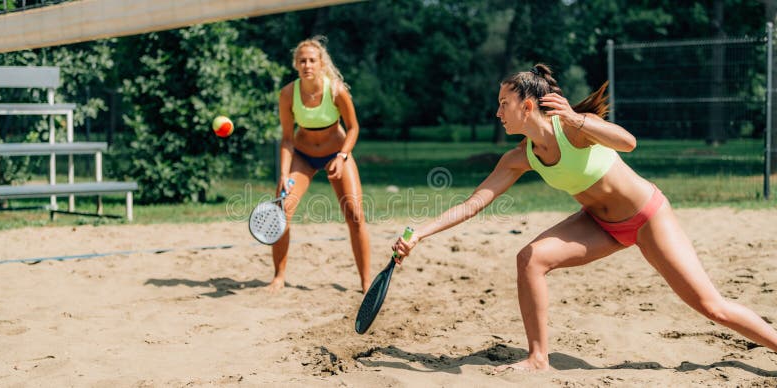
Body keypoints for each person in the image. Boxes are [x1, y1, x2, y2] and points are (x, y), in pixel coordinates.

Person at [392, 63, 777, 371]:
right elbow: (474, 202)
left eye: (503, 104)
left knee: (712, 307)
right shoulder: (519, 157)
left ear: (528, 106)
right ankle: (538, 358)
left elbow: (629, 142)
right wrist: (420, 233)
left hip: (648, 218)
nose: (497, 113)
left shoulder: (572, 130)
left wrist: (578, 119)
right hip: (599, 224)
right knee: (530, 258)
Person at [269, 36, 370, 293]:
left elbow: (354, 128)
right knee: (281, 213)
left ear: (321, 63)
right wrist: (283, 173)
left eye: (312, 60)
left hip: (336, 153)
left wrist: (343, 155)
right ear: (295, 64)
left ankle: (366, 281)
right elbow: (287, 139)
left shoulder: (336, 91)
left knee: (355, 216)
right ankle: (278, 276)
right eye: (302, 60)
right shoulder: (288, 94)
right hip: (303, 155)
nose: (307, 65)